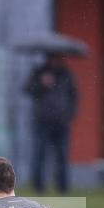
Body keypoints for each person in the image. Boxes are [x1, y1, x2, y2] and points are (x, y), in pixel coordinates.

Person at [24, 54, 78, 193]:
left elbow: (74, 96)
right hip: (42, 121)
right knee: (39, 155)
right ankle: (38, 186)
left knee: (62, 156)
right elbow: (27, 89)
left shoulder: (66, 74)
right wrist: (41, 84)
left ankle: (62, 188)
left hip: (61, 122)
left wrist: (69, 114)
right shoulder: (39, 72)